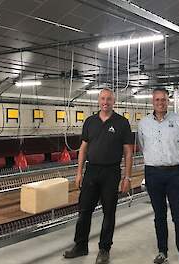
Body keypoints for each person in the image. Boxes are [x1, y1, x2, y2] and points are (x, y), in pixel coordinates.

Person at [64, 88, 133, 264]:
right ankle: (80, 246)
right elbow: (83, 148)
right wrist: (79, 172)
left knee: (109, 212)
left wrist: (127, 177)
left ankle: (104, 249)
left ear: (114, 102)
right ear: (98, 101)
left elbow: (128, 153)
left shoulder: (122, 123)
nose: (105, 102)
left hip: (111, 172)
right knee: (84, 211)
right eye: (102, 99)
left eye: (109, 99)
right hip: (91, 171)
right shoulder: (90, 121)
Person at [138, 87, 179, 264]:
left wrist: (177, 159)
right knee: (159, 215)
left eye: (163, 100)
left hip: (174, 174)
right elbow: (142, 146)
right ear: (152, 102)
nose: (160, 103)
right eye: (157, 100)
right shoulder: (144, 124)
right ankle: (163, 251)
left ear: (168, 101)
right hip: (153, 173)